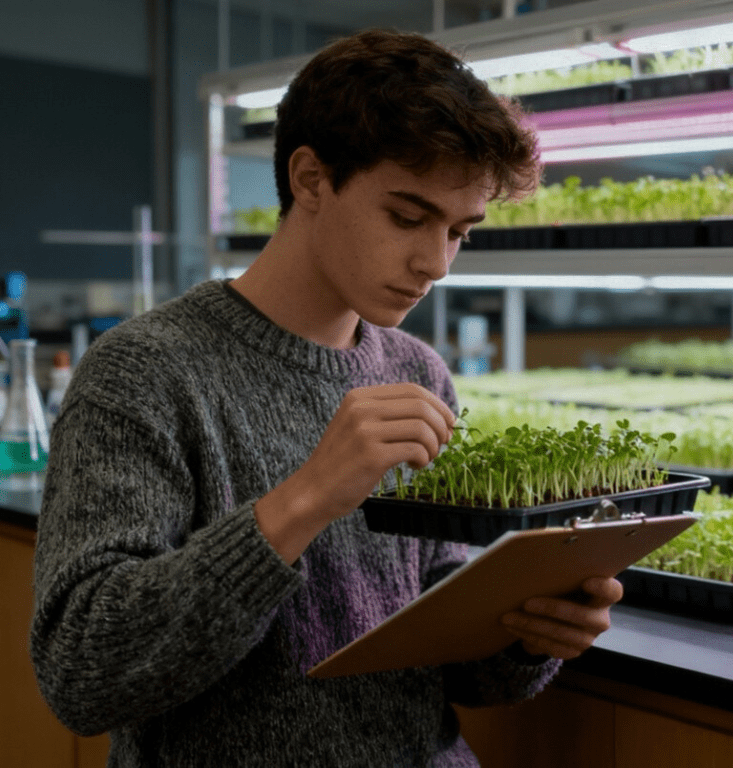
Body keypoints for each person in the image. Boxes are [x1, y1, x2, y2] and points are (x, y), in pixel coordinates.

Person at [30, 28, 623, 767]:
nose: (435, 262)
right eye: (407, 218)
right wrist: (304, 499)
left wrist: (528, 633)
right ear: (311, 180)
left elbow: (443, 657)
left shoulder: (417, 369)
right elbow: (81, 673)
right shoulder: (144, 372)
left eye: (460, 232)